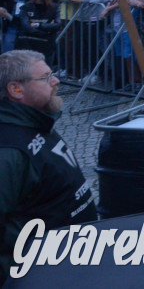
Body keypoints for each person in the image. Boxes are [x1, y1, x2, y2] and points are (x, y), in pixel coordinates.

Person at [0, 50, 97, 277]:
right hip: (39, 274)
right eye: (45, 77)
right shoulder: (9, 151)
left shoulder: (36, 121)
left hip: (70, 262)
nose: (56, 81)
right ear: (16, 89)